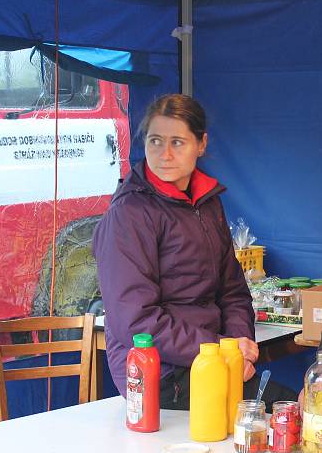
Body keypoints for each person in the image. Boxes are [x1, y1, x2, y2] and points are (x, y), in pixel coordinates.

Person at [93, 93, 291, 409]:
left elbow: (233, 292)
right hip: (160, 375)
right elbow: (136, 322)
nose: (165, 154)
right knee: (287, 412)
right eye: (155, 141)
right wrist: (221, 352)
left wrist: (239, 344)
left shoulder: (207, 203)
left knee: (294, 412)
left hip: (210, 361)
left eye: (177, 142)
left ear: (201, 144)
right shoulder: (130, 214)